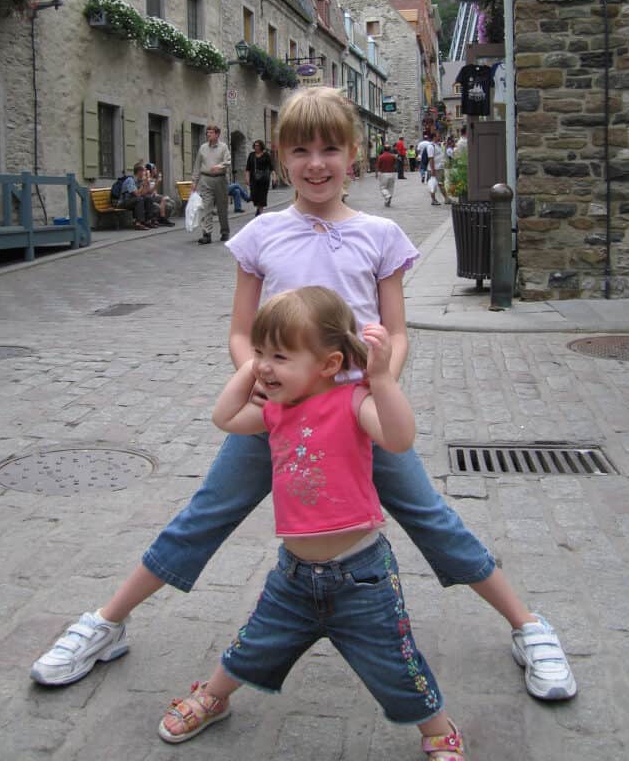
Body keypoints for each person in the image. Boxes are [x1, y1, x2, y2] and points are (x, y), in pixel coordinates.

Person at [30, 86, 576, 704]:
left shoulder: (380, 235)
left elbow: (395, 330)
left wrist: (380, 378)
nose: (315, 163)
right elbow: (242, 330)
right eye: (300, 150)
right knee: (205, 515)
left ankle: (528, 626)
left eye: (329, 149)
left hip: (354, 415)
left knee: (430, 516)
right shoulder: (263, 234)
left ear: (352, 155)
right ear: (282, 158)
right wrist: (262, 382)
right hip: (278, 414)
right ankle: (106, 622)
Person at [158, 288, 465, 760]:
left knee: (394, 662)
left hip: (362, 576)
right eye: (262, 352)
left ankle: (439, 729)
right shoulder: (274, 411)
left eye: (279, 355)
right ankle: (214, 695)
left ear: (327, 364)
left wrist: (381, 378)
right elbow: (224, 417)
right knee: (254, 643)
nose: (265, 366)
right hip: (294, 575)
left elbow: (400, 439)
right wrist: (251, 367)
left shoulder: (354, 401)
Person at [190, 124, 231, 244]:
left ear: (217, 134)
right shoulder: (202, 148)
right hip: (206, 180)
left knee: (222, 208)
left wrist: (220, 166)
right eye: (207, 133)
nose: (208, 134)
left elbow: (228, 161)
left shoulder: (223, 147)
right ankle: (206, 234)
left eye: (211, 132)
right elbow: (197, 165)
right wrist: (194, 181)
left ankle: (224, 231)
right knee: (206, 207)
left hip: (220, 180)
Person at [119, 162, 157, 230]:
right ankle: (138, 223)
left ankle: (148, 221)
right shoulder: (130, 180)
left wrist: (147, 182)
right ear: (139, 171)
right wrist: (143, 184)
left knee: (148, 198)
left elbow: (145, 193)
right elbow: (137, 194)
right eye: (144, 170)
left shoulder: (140, 181)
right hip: (124, 202)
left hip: (133, 200)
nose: (145, 172)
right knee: (139, 199)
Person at [244, 139, 273, 217]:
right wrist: (247, 177)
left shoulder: (266, 155)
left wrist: (274, 177)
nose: (256, 147)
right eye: (255, 145)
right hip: (254, 179)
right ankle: (258, 207)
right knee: (254, 195)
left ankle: (260, 213)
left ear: (261, 146)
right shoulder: (251, 155)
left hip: (264, 179)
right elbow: (248, 168)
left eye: (258, 145)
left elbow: (271, 167)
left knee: (262, 196)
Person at [429, 135, 449, 207]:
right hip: (436, 168)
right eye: (437, 136)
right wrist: (432, 169)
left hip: (440, 167)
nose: (439, 137)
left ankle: (446, 198)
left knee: (441, 184)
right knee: (433, 184)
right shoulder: (431, 146)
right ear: (434, 137)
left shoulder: (437, 145)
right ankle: (434, 199)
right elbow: (431, 158)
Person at [375, 143, 397, 207]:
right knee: (391, 188)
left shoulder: (381, 157)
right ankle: (387, 200)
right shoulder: (393, 156)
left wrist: (376, 173)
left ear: (383, 149)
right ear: (390, 149)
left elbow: (378, 166)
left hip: (384, 173)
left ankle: (387, 196)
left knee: (383, 188)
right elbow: (395, 164)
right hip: (392, 173)